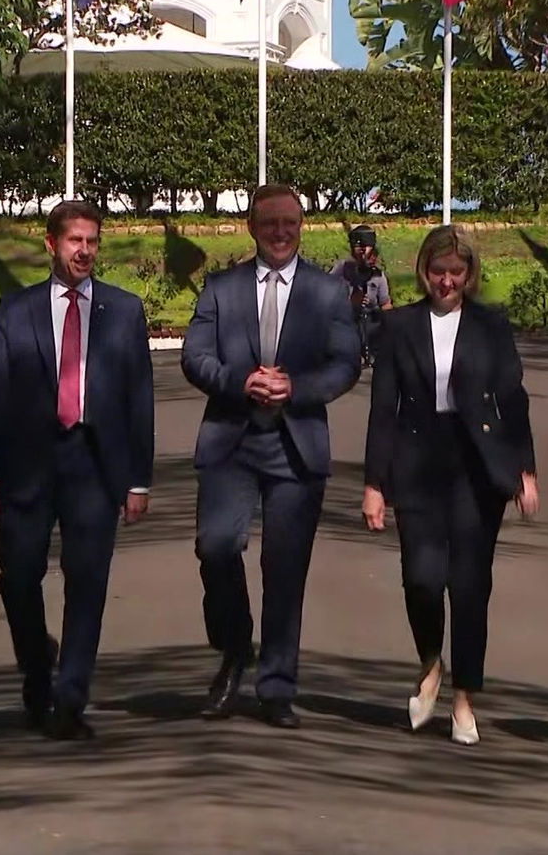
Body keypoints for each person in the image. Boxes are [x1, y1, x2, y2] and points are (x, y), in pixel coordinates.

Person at [0, 200, 154, 741]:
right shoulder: (17, 308)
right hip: (29, 462)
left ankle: (71, 697)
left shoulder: (122, 310)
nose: (85, 251)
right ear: (51, 243)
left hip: (94, 463)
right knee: (20, 572)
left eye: (92, 241)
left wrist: (137, 480)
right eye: (75, 240)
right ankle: (36, 667)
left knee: (88, 581)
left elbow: (138, 397)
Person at [182, 184, 361, 729]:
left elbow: (346, 364)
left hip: (295, 444)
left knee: (285, 570)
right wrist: (241, 381)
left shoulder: (328, 294)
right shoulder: (221, 288)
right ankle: (236, 649)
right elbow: (195, 357)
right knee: (215, 546)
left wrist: (296, 387)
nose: (280, 233)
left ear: (301, 227)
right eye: (269, 223)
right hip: (232, 440)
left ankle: (277, 686)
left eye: (290, 223)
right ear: (252, 227)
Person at [361, 225, 539, 746]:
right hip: (417, 462)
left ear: (469, 275)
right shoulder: (399, 328)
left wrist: (524, 469)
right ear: (424, 271)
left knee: (468, 586)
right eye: (438, 272)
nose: (446, 281)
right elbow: (382, 412)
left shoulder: (491, 326)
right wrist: (375, 483)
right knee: (421, 577)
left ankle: (464, 697)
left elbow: (513, 399)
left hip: (477, 466)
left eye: (456, 273)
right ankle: (429, 662)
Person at [331, 225, 394, 366]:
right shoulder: (342, 269)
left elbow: (385, 304)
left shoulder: (377, 276)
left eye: (366, 246)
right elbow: (326, 298)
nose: (362, 251)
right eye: (358, 246)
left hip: (370, 324)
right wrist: (350, 302)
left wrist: (391, 325)